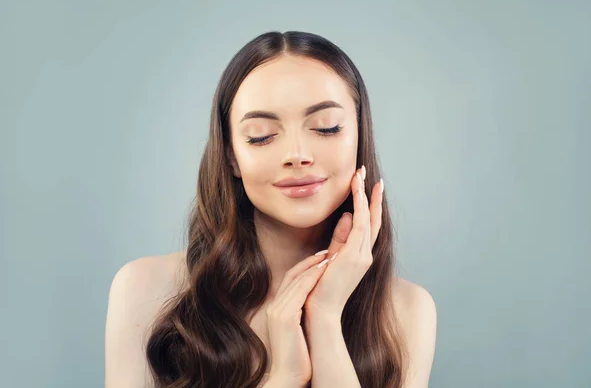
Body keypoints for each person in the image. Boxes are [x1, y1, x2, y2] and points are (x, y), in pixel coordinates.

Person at [105, 30, 437, 388]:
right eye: (261, 135)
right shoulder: (146, 289)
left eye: (327, 128)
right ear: (232, 156)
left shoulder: (406, 310)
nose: (297, 154)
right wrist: (284, 377)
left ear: (359, 136)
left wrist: (324, 319)